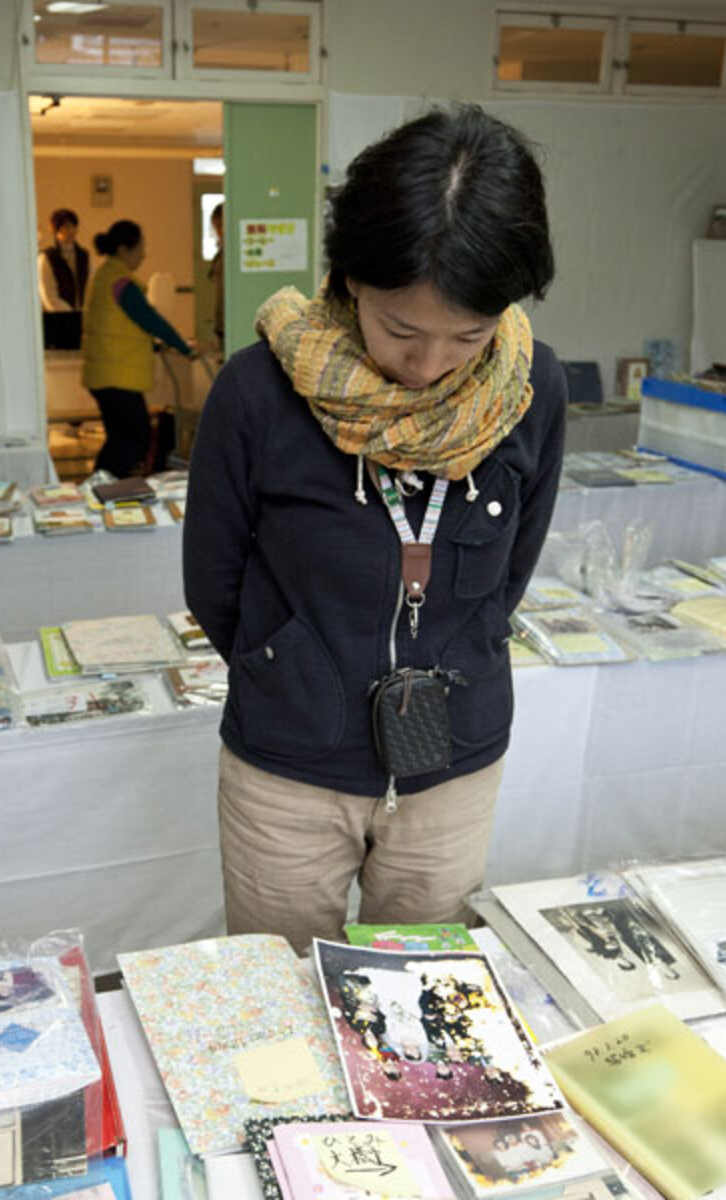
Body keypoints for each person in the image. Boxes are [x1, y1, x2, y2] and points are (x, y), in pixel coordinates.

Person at [183, 105, 566, 953]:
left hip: (453, 762)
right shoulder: (257, 393)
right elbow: (213, 584)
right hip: (287, 767)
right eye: (401, 329)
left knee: (423, 987)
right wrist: (293, 668)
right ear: (351, 279)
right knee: (278, 981)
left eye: (467, 335)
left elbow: (511, 572)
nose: (428, 364)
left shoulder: (531, 385)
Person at [80, 219, 199, 477]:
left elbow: (123, 325)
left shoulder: (103, 276)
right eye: (140, 248)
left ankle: (104, 487)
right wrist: (185, 347)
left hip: (104, 374)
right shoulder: (121, 282)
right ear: (124, 249)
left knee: (119, 438)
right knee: (138, 437)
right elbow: (149, 319)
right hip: (116, 376)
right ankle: (100, 486)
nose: (143, 255)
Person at [37, 207, 90, 313]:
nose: (71, 231)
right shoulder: (46, 258)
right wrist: (69, 314)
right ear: (56, 230)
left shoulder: (83, 256)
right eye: (66, 226)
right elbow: (48, 296)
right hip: (57, 318)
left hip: (82, 315)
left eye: (73, 226)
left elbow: (89, 286)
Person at [208, 201, 225, 350]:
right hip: (221, 324)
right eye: (217, 226)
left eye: (221, 225)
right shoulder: (221, 254)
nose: (219, 232)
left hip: (228, 322)